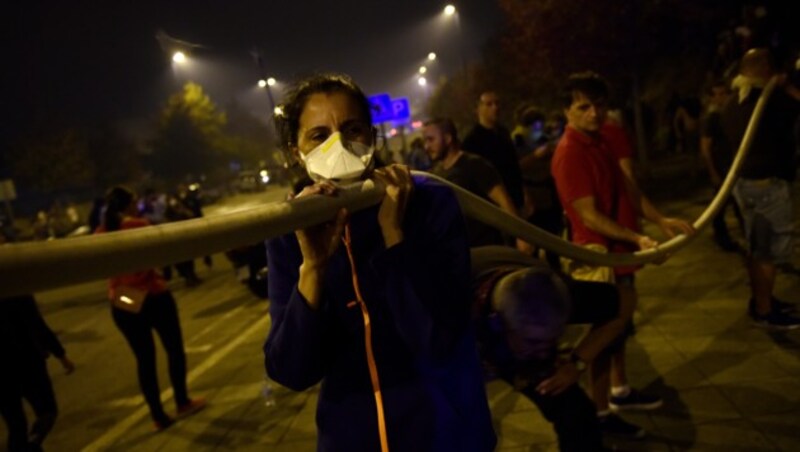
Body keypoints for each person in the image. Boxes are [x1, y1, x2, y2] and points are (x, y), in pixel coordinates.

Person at [264, 73, 496, 452]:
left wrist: (394, 237)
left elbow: (438, 340)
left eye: (352, 129)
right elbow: (291, 370)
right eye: (319, 135)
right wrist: (313, 269)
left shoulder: (429, 202)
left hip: (446, 433)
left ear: (372, 135)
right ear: (296, 150)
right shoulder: (292, 229)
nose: (338, 145)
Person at [551, 71, 694, 438]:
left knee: (616, 330)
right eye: (583, 106)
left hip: (617, 254)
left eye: (599, 105)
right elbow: (588, 214)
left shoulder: (598, 142)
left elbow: (626, 189)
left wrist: (660, 219)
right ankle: (597, 407)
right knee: (608, 329)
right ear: (567, 110)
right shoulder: (570, 153)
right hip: (599, 257)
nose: (594, 113)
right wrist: (636, 238)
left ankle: (611, 398)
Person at [471, 245, 629, 451]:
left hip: (507, 326)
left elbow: (626, 300)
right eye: (535, 343)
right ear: (498, 324)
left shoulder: (558, 292)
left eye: (554, 339)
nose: (545, 352)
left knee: (576, 413)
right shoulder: (446, 305)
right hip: (457, 329)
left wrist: (577, 362)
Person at [95, 186, 206, 431]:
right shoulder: (138, 226)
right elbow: (158, 258)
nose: (138, 205)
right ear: (128, 205)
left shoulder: (100, 233)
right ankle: (182, 401)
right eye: (134, 201)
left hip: (122, 302)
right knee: (174, 350)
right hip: (153, 297)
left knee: (144, 360)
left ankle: (158, 416)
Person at [720, 48, 800, 328]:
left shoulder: (732, 101)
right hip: (768, 184)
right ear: (767, 69)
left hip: (744, 184)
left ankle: (762, 300)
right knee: (768, 252)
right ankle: (765, 311)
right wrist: (786, 85)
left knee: (756, 247)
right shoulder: (769, 100)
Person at [422, 117, 530, 252]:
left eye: (431, 140)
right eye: (425, 141)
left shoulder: (475, 165)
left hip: (488, 249)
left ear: (448, 138)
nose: (426, 147)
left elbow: (504, 201)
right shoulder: (437, 174)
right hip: (461, 253)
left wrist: (522, 236)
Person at [0, 292, 74, 452]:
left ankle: (24, 447)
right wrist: (60, 354)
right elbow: (36, 323)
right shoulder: (16, 289)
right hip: (26, 361)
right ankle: (31, 445)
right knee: (47, 411)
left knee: (16, 424)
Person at [463, 91, 527, 213]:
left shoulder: (503, 132)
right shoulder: (472, 141)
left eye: (497, 103)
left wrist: (524, 194)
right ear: (478, 109)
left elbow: (514, 166)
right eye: (489, 104)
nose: (495, 107)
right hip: (494, 207)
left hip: (516, 198)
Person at [699, 80, 744, 252]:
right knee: (722, 204)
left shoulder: (726, 115)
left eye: (724, 93)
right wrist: (713, 172)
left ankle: (734, 236)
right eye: (717, 94)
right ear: (711, 97)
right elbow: (705, 146)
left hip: (730, 166)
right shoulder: (712, 118)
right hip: (721, 167)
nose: (722, 97)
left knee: (734, 202)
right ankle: (722, 236)